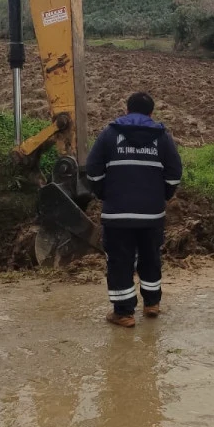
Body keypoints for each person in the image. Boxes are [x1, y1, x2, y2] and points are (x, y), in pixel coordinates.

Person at [85, 91, 183, 327]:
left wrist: (103, 193)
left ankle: (124, 313)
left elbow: (92, 169)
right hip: (151, 215)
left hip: (117, 214)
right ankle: (152, 304)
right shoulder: (162, 137)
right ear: (151, 113)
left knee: (120, 261)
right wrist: (163, 196)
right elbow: (174, 173)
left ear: (126, 110)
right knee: (151, 257)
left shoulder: (110, 134)